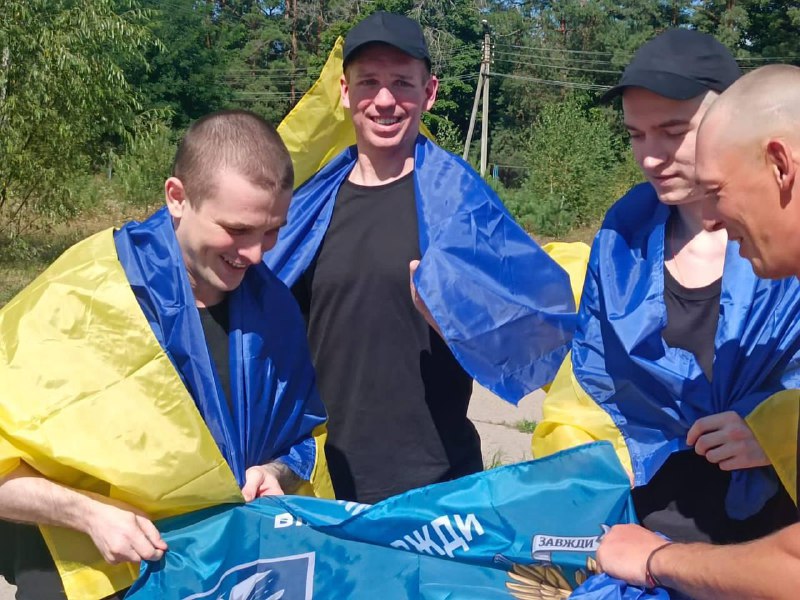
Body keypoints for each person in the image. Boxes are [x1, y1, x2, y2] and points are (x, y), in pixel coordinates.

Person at [0, 110, 330, 600]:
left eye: (271, 231)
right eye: (237, 229)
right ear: (177, 197)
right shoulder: (82, 297)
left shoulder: (274, 308)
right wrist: (89, 514)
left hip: (217, 576)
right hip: (89, 578)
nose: (256, 254)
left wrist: (274, 471)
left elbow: (304, 434)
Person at [265, 11, 576, 504]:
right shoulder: (307, 209)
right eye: (369, 82)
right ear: (345, 92)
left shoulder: (462, 205)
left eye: (402, 84)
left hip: (439, 482)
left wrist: (459, 323)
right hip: (326, 481)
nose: (385, 100)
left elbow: (536, 332)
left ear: (429, 93)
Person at [532, 29, 800, 543]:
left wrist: (776, 432)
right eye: (636, 134)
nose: (651, 157)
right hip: (649, 529)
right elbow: (595, 374)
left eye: (673, 132)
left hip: (772, 539)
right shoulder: (622, 237)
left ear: (729, 120)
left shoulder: (784, 241)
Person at [596, 63, 800, 600]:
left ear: (780, 166)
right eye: (636, 135)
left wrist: (657, 560)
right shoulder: (618, 242)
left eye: (717, 191)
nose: (711, 220)